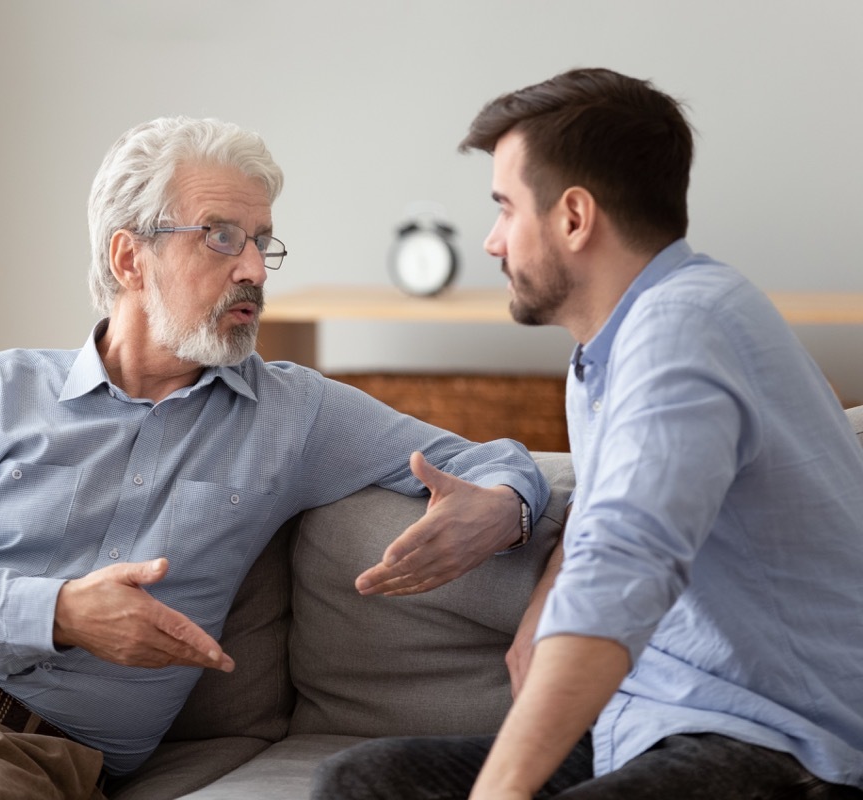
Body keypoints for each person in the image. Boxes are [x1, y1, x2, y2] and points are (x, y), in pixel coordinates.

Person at [0, 116, 549, 800]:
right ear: (130, 256)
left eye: (260, 240)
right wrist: (62, 613)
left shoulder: (297, 412)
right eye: (219, 236)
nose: (254, 270)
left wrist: (503, 506)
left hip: (31, 749)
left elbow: (504, 460)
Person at [311, 68, 863, 799]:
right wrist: (546, 596)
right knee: (363, 782)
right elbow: (621, 506)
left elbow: (627, 565)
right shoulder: (608, 352)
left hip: (782, 746)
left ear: (573, 217)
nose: (491, 242)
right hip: (646, 729)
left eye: (505, 208)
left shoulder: (684, 327)